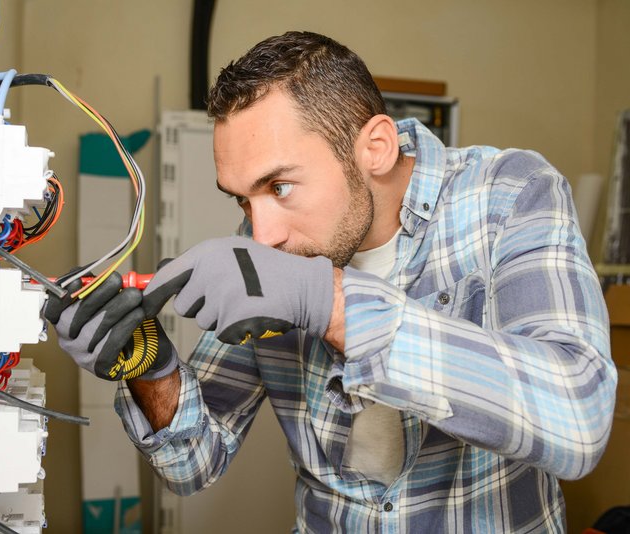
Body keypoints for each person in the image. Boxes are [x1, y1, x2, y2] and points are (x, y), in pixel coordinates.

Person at [46, 31, 617, 532]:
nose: (260, 232)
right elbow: (193, 463)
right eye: (243, 199)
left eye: (281, 186)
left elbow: (579, 419)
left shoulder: (509, 194)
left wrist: (330, 303)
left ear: (375, 146)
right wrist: (151, 367)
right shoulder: (266, 238)